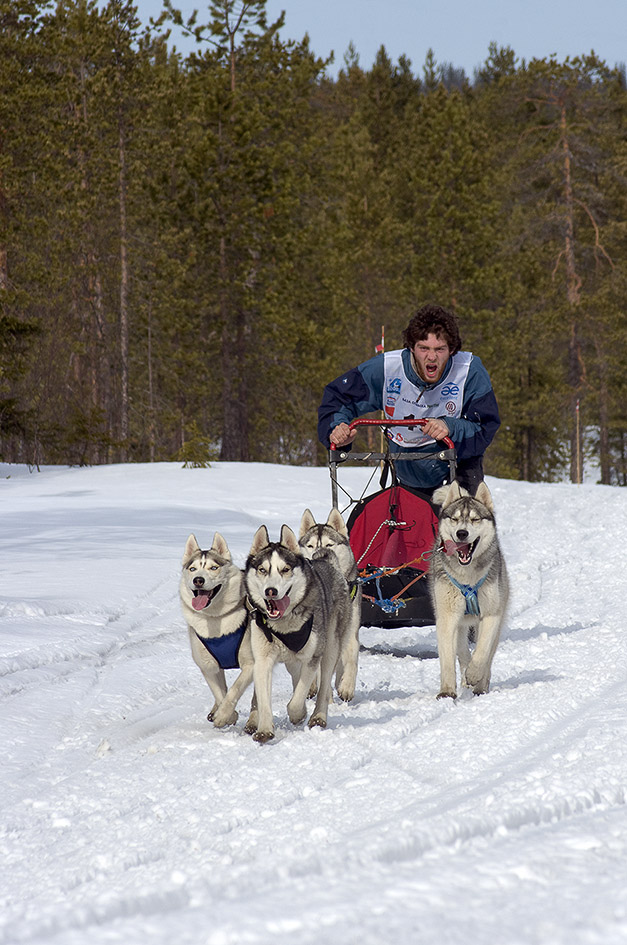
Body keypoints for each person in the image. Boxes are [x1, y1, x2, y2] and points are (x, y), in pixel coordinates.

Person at [318, 304, 500, 496]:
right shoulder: (387, 368)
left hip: (457, 466)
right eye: (424, 348)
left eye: (440, 349)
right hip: (407, 467)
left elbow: (485, 427)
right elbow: (337, 397)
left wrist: (450, 427)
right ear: (412, 347)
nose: (431, 357)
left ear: (452, 349)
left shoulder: (469, 371)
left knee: (464, 522)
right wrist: (338, 429)